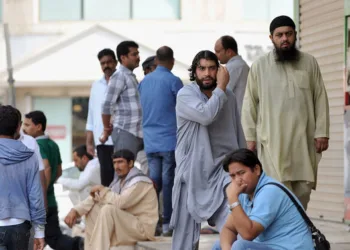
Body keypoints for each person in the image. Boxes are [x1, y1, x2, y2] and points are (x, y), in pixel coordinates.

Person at [241, 15, 330, 210]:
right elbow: (249, 104)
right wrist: (250, 138)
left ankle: (297, 233)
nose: (284, 39)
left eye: (288, 34)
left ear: (295, 35)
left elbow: (320, 98)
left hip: (303, 141)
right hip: (273, 142)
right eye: (279, 35)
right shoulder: (259, 66)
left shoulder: (309, 63)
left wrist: (322, 132)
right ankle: (281, 236)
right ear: (271, 38)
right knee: (277, 191)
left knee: (303, 191)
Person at [170, 50, 246, 250]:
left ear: (219, 70)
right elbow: (206, 115)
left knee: (233, 225)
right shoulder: (186, 95)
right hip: (191, 172)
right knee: (184, 239)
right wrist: (221, 86)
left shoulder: (227, 95)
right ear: (195, 71)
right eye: (202, 68)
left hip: (222, 172)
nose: (207, 73)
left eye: (212, 68)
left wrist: (245, 163)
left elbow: (237, 130)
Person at [212, 149, 313, 250]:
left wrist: (233, 199)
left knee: (241, 246)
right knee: (220, 245)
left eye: (241, 173)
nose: (237, 180)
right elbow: (229, 228)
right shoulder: (244, 193)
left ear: (256, 170)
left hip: (290, 247)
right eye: (233, 176)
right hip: (269, 246)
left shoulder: (269, 191)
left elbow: (248, 234)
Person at [64, 149, 158, 250]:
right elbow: (98, 197)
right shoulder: (119, 181)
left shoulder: (140, 182)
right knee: (93, 209)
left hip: (142, 229)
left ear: (130, 163)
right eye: (114, 163)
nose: (116, 167)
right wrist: (75, 210)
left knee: (108, 210)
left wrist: (103, 190)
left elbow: (121, 202)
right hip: (127, 225)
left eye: (120, 162)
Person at [139, 46, 183, 236]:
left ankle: (152, 223)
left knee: (153, 182)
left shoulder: (143, 82)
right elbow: (184, 109)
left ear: (156, 61)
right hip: (169, 140)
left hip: (150, 141)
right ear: (172, 61)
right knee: (168, 182)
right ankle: (167, 224)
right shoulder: (174, 81)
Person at [23, 110, 83, 250]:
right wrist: (48, 187)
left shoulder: (37, 144)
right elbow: (59, 170)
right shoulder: (53, 144)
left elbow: (47, 167)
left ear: (38, 127)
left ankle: (79, 244)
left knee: (32, 240)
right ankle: (78, 244)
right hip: (50, 200)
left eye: (27, 125)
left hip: (39, 202)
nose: (23, 129)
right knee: (54, 238)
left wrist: (42, 188)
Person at [0, 105, 46, 250]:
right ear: (18, 127)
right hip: (20, 226)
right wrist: (39, 232)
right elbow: (35, 196)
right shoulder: (30, 156)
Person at [101, 41, 145, 168]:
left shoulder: (130, 76)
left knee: (132, 172)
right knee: (122, 171)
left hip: (138, 132)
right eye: (134, 54)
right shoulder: (119, 76)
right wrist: (106, 129)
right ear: (123, 58)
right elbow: (106, 104)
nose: (138, 57)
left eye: (137, 54)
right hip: (125, 131)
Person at [86, 48, 117, 187]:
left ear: (115, 62)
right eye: (103, 63)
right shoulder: (96, 86)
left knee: (122, 178)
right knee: (106, 180)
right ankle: (109, 208)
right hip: (102, 141)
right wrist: (89, 141)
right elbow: (91, 115)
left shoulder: (123, 81)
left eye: (109, 62)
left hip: (120, 138)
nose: (106, 66)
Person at [214, 35, 249, 113]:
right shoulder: (241, 65)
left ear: (229, 52)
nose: (215, 55)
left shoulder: (233, 67)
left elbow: (221, 93)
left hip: (236, 117)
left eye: (218, 51)